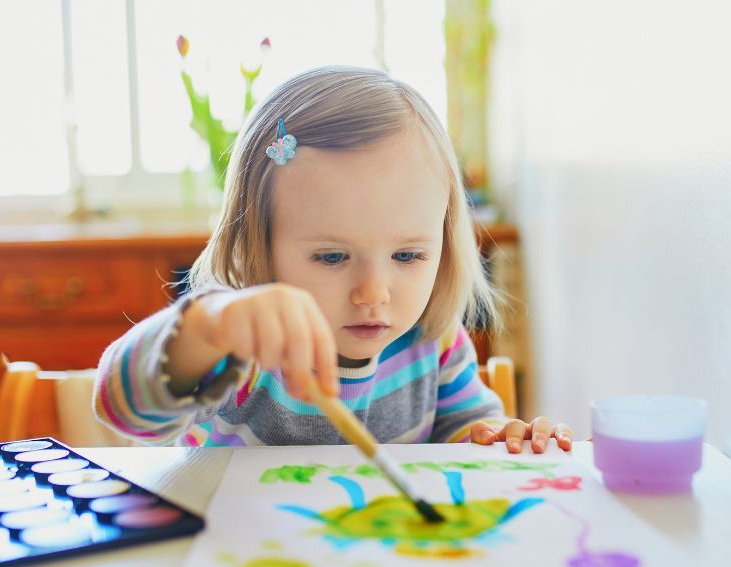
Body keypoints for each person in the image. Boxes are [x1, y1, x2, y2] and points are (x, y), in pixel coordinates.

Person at [94, 66, 572, 452]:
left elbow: (466, 437)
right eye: (331, 256)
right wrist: (207, 329)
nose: (373, 292)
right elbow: (122, 410)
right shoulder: (240, 349)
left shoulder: (433, 343)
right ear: (256, 243)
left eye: (407, 254)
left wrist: (501, 439)